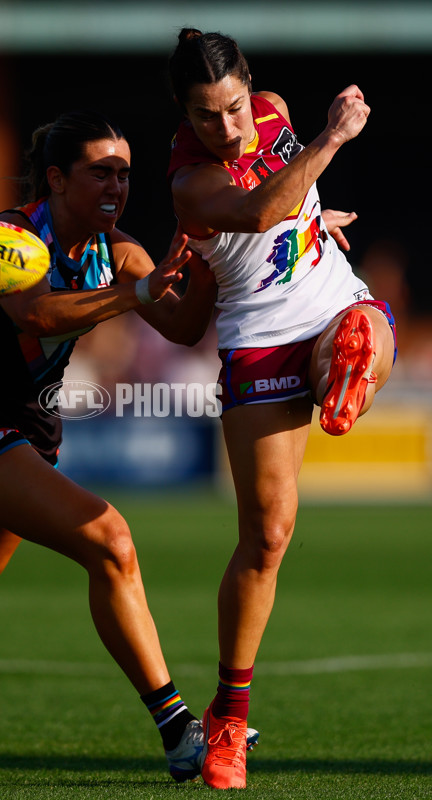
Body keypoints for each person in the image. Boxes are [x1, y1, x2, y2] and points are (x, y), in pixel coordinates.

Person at [0, 110, 229, 783]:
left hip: (32, 429)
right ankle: (180, 731)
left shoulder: (117, 249)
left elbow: (180, 326)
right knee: (111, 541)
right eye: (101, 173)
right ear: (58, 179)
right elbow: (36, 314)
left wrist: (216, 260)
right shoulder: (9, 237)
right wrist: (136, 292)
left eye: (124, 173)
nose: (117, 186)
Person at [167, 29, 397, 790]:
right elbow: (267, 209)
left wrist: (314, 221)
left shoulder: (273, 111)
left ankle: (346, 368)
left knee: (361, 329)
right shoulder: (190, 183)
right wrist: (332, 139)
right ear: (185, 118)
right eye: (206, 117)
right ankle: (228, 718)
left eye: (233, 108)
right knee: (266, 536)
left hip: (328, 301)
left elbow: (292, 205)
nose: (227, 128)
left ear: (250, 91)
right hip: (258, 345)